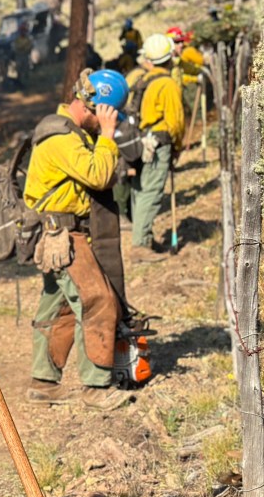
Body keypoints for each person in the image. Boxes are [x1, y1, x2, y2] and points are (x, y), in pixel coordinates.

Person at [24, 68, 133, 411]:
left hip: (64, 232)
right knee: (99, 300)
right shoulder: (60, 137)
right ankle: (96, 386)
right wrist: (109, 134)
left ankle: (43, 383)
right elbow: (99, 175)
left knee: (58, 310)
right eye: (107, 114)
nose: (106, 122)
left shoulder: (68, 133)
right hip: (62, 236)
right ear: (94, 107)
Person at [130, 34, 185, 263]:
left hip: (140, 142)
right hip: (159, 142)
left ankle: (145, 236)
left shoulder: (142, 79)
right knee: (151, 192)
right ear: (169, 57)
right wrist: (178, 147)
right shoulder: (167, 84)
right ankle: (140, 244)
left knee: (140, 191)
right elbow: (175, 121)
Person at [166, 26, 206, 116]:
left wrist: (201, 71)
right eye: (177, 42)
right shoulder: (167, 64)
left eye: (181, 41)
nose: (181, 45)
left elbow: (189, 69)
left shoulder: (178, 60)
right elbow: (181, 78)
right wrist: (195, 79)